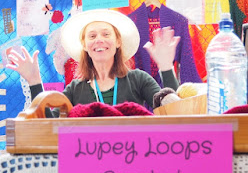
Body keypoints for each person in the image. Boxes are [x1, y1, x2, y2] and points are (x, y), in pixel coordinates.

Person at [6, 9, 180, 117]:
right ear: (85, 45)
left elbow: (174, 110)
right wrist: (34, 82)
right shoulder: (75, 89)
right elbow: (49, 126)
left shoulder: (138, 79)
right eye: (92, 36)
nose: (99, 40)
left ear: (118, 41)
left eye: (106, 34)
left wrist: (166, 68)